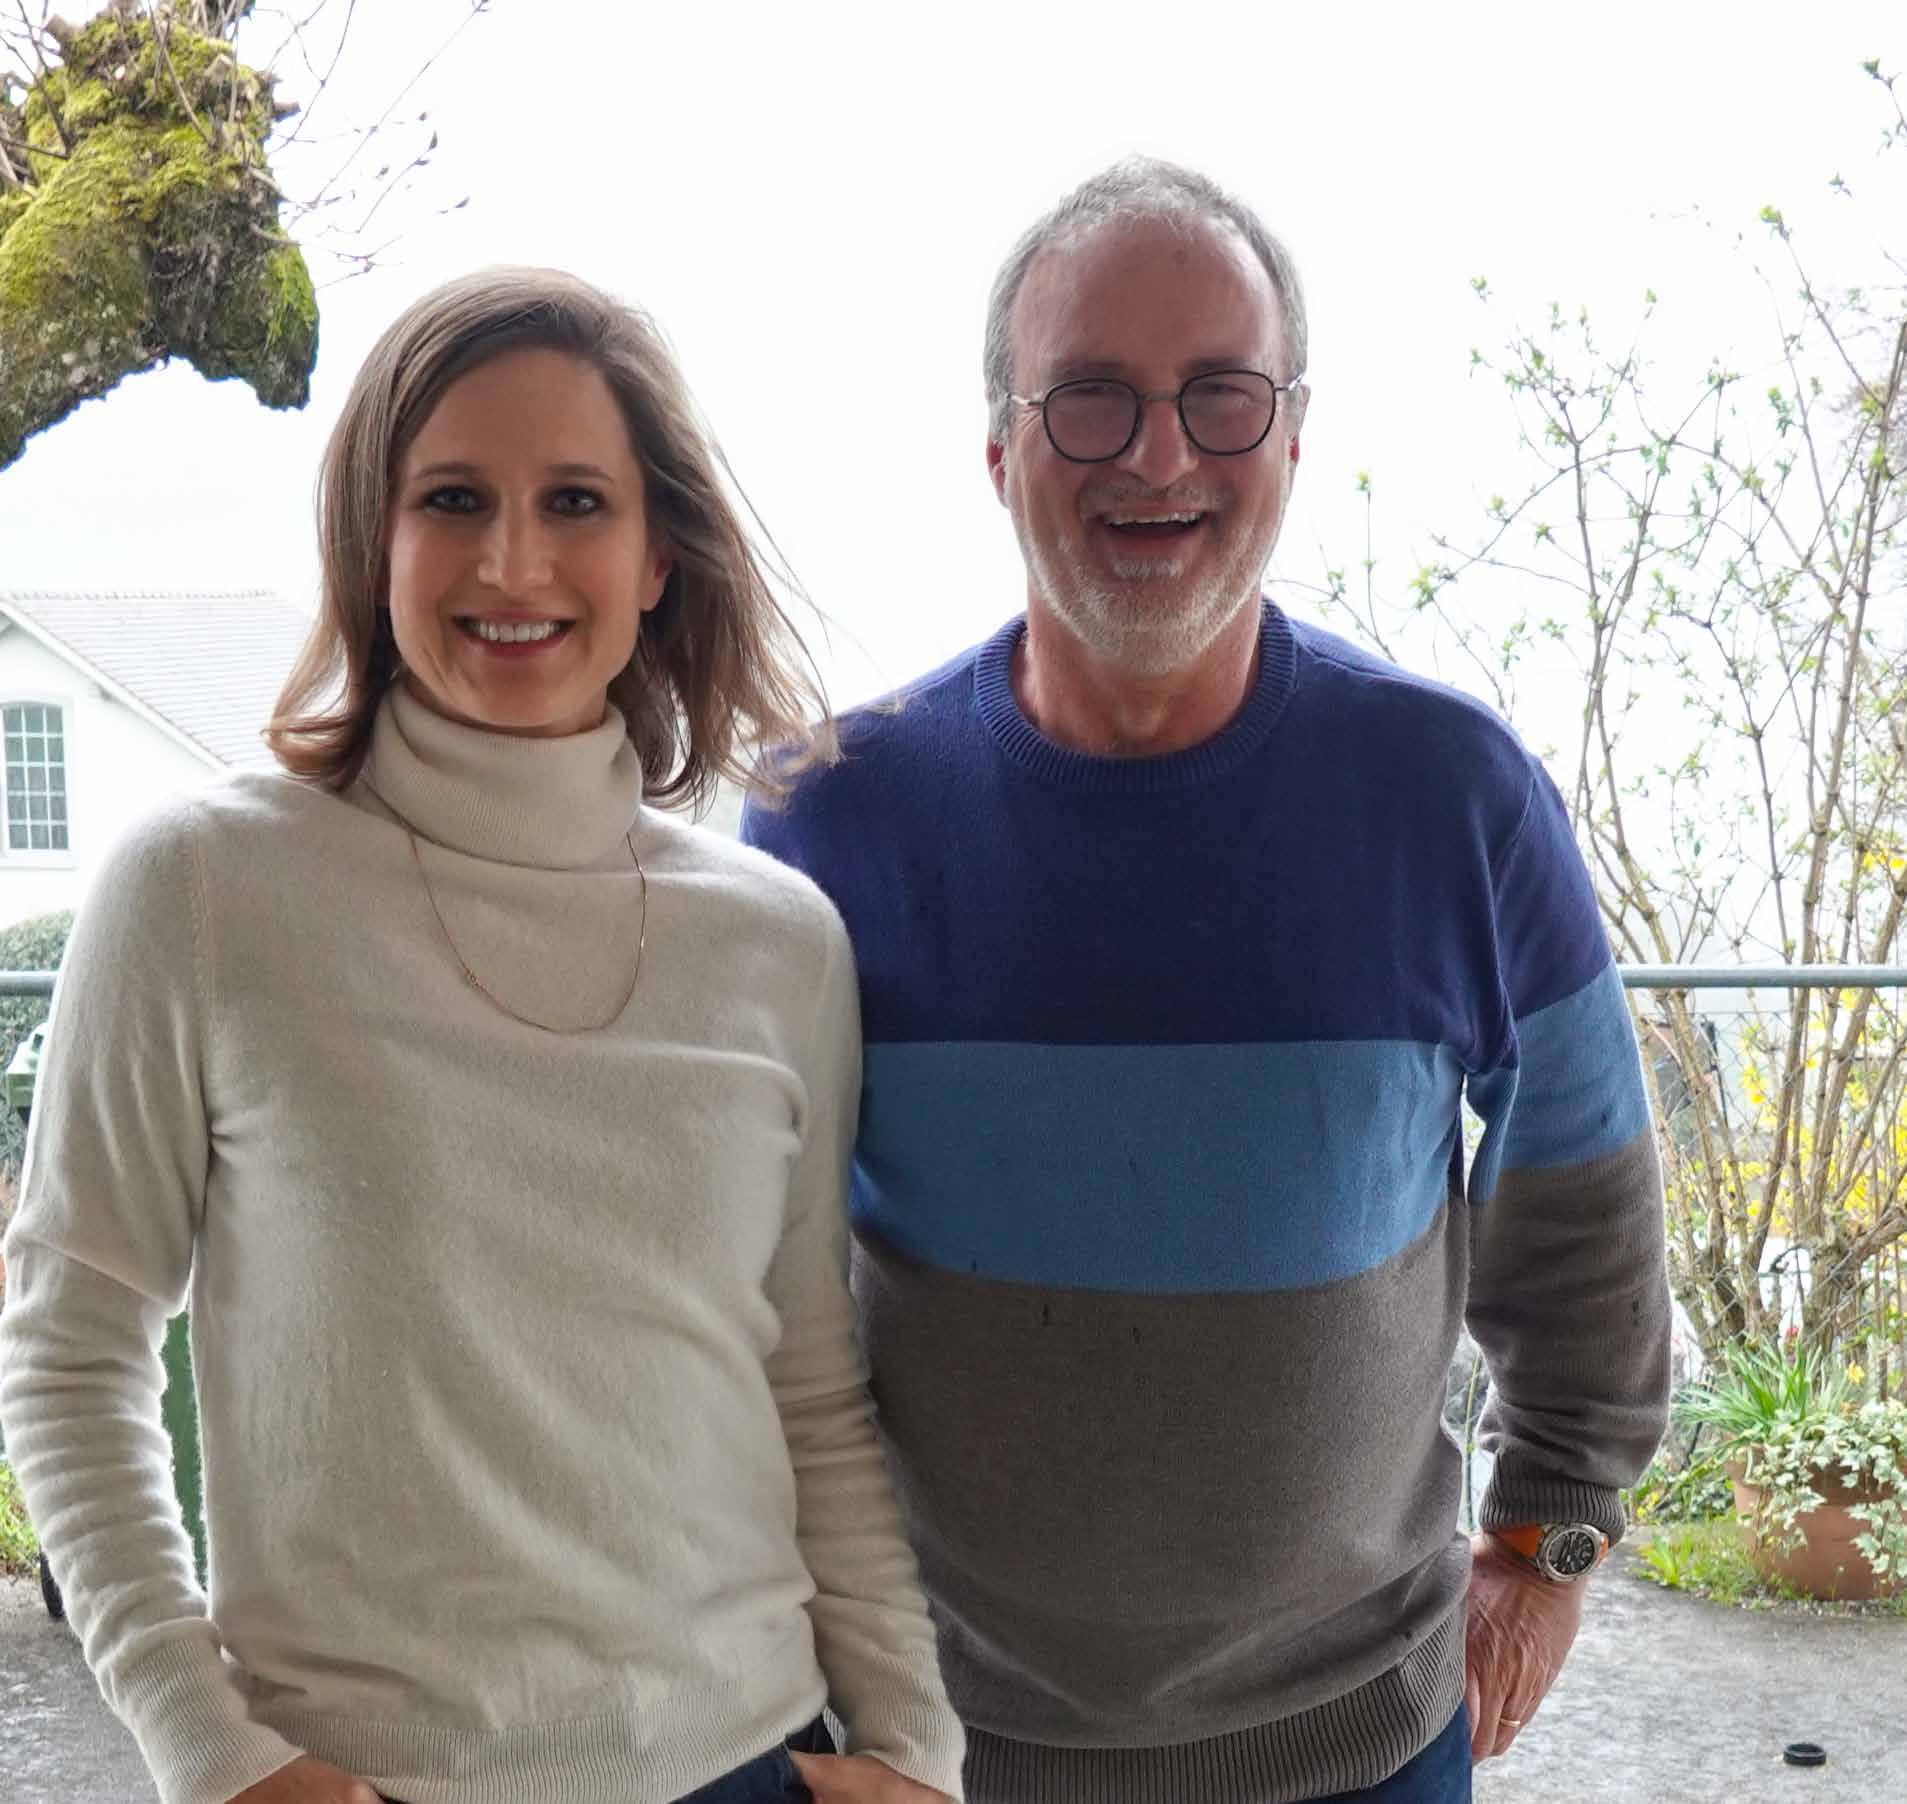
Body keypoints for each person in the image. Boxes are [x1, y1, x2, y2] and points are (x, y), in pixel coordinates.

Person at [742, 160, 1673, 1804]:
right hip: (932, 1749)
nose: (1160, 455)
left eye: (1221, 396)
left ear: (1294, 438)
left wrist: (1550, 1541)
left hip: (1359, 1748)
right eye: (1091, 396)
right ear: (1000, 449)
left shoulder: (1450, 798)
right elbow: (736, 1288)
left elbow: (1587, 1195)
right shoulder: (831, 821)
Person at [0, 269, 964, 1804]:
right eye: (452, 499)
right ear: (371, 543)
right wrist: (208, 1750)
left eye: (577, 501)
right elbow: (69, 1352)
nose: (514, 562)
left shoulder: (776, 944)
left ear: (656, 557)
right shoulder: (202, 890)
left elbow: (807, 1385)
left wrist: (916, 1746)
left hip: (747, 1761)